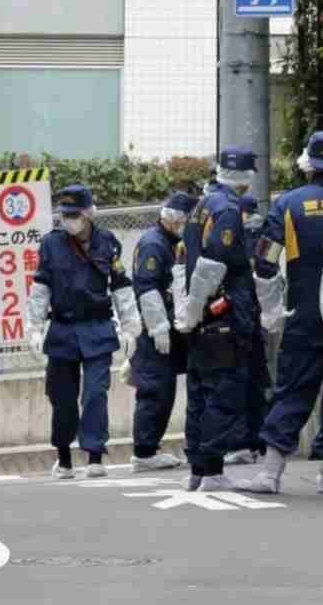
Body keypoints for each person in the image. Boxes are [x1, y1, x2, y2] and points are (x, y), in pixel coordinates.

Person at [236, 131, 323, 495]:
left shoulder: (289, 204)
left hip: (304, 315)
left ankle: (270, 474)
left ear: (308, 164)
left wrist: (272, 311)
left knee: (293, 391)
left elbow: (266, 262)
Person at [26, 185, 142, 479]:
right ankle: (64, 458)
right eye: (64, 215)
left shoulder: (107, 242)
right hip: (62, 330)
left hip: (98, 328)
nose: (69, 220)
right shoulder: (51, 244)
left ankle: (94, 455)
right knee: (61, 397)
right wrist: (35, 328)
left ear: (89, 214)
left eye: (74, 215)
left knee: (95, 394)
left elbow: (121, 287)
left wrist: (131, 327)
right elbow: (40, 290)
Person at [174, 146, 258, 492]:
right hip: (223, 313)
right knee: (223, 392)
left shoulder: (200, 206)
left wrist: (190, 311)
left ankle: (198, 469)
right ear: (246, 175)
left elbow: (185, 262)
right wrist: (194, 307)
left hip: (203, 319)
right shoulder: (226, 209)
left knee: (200, 394)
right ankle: (211, 471)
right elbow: (213, 266)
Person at [127, 192, 198, 473]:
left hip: (171, 326)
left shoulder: (172, 241)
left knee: (164, 389)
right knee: (155, 389)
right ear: (173, 219)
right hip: (158, 329)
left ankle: (149, 449)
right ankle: (144, 452)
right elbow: (147, 288)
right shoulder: (154, 244)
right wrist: (159, 329)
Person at [223, 194, 271, 465]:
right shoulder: (264, 236)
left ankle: (241, 443)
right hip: (258, 317)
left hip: (238, 318)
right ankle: (257, 441)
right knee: (257, 381)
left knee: (236, 380)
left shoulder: (234, 238)